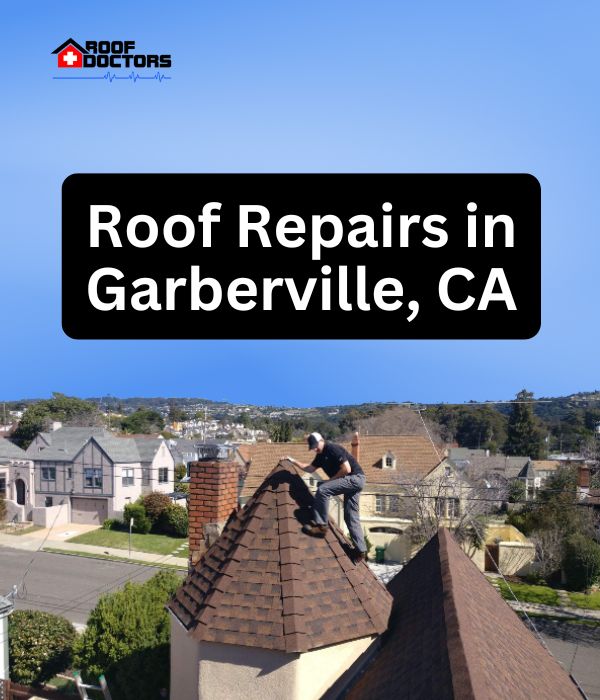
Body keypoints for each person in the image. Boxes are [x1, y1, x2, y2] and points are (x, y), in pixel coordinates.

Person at [287, 432, 367, 562]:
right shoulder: (320, 456)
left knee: (323, 489)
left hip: (355, 478)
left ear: (321, 440)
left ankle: (321, 526)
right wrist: (292, 461)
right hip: (354, 481)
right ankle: (360, 551)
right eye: (312, 447)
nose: (315, 449)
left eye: (315, 446)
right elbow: (309, 468)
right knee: (350, 516)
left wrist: (330, 481)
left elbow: (346, 469)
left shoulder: (332, 448)